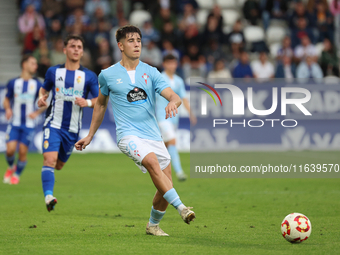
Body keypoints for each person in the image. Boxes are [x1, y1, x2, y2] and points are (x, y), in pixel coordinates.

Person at [75, 25, 196, 236]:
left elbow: (174, 96)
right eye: (131, 40)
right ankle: (182, 208)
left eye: (139, 40)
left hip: (153, 135)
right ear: (120, 46)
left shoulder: (151, 71)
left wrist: (172, 104)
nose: (137, 43)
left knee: (164, 185)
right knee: (151, 162)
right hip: (127, 135)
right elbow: (101, 104)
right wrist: (90, 135)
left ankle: (153, 226)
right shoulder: (107, 74)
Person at [37, 34, 99, 212]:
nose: (76, 49)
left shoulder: (88, 76)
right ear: (65, 50)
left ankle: (49, 177)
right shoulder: (53, 72)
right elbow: (44, 89)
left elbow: (98, 100)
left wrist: (86, 102)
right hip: (53, 124)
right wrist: (41, 98)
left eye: (79, 47)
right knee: (50, 159)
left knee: (59, 165)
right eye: (73, 46)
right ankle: (49, 196)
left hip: (72, 130)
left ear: (82, 52)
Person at [3, 55, 45, 185]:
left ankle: (17, 174)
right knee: (10, 150)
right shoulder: (13, 83)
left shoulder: (37, 84)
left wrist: (36, 112)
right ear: (24, 65)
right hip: (14, 123)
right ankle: (11, 167)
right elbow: (6, 99)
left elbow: (45, 103)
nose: (35, 66)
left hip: (29, 124)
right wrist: (8, 109)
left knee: (22, 151)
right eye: (33, 63)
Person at [155, 54, 196, 181]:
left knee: (166, 146)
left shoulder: (178, 80)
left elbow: (183, 98)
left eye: (174, 63)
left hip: (174, 118)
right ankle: (179, 172)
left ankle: (155, 167)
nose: (172, 66)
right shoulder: (159, 78)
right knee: (173, 141)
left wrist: (191, 113)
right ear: (164, 64)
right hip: (162, 117)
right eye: (169, 63)